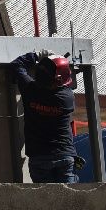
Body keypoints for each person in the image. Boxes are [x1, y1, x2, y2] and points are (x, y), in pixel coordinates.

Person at [11, 50, 79, 183]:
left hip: (39, 157)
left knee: (44, 200)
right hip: (64, 155)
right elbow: (65, 82)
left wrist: (37, 55)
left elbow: (17, 65)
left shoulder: (30, 89)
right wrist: (53, 61)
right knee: (69, 199)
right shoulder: (67, 97)